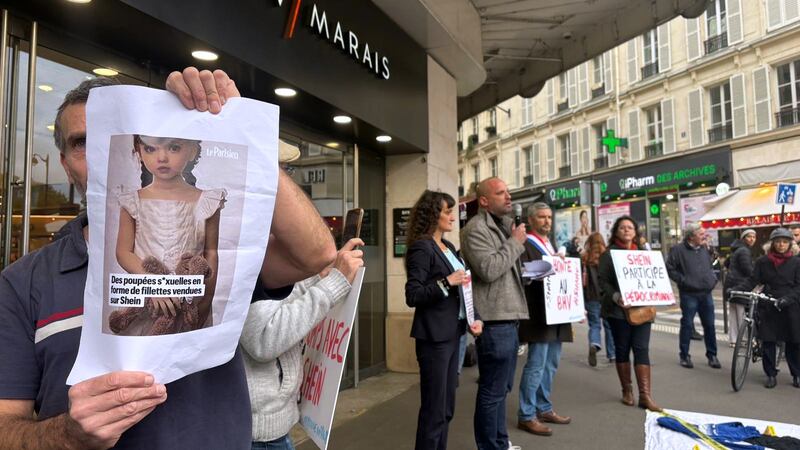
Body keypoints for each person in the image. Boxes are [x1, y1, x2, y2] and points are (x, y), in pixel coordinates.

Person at [0, 68, 337, 449]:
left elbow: (317, 253)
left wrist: (237, 126)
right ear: (64, 163)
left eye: (111, 135)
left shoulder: (218, 241)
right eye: (82, 142)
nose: (98, 152)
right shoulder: (23, 283)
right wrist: (67, 434)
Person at [241, 238, 364, 450]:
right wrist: (332, 285)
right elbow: (264, 338)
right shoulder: (247, 252)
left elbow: (277, 300)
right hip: (257, 436)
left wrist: (321, 276)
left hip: (270, 428)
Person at [110, 135, 225, 335]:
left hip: (191, 305)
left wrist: (206, 302)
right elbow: (123, 252)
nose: (161, 157)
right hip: (149, 306)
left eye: (173, 147)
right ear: (139, 150)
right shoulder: (132, 201)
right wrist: (153, 284)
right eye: (150, 149)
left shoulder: (207, 201)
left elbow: (211, 253)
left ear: (192, 150)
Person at [404, 190, 483, 450]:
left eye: (452, 210)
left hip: (455, 333)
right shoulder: (421, 247)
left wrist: (475, 318)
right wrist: (446, 281)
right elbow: (413, 294)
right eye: (447, 211)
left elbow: (463, 289)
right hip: (434, 339)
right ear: (432, 214)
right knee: (434, 410)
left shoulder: (448, 247)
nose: (453, 216)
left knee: (446, 408)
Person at [461, 177, 528, 450]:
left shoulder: (500, 227)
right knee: (491, 391)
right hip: (493, 320)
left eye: (508, 191)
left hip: (508, 319)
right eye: (501, 193)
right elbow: (488, 269)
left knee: (502, 390)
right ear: (485, 200)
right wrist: (514, 242)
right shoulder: (475, 229)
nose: (508, 196)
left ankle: (500, 443)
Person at [516, 203, 572, 438]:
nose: (547, 221)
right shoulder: (525, 243)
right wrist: (549, 266)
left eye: (549, 217)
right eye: (542, 217)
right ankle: (527, 415)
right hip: (539, 313)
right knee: (536, 365)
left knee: (550, 365)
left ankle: (544, 407)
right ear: (531, 220)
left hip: (557, 314)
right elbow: (521, 273)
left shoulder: (550, 244)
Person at [598, 215, 662, 412]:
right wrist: (617, 297)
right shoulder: (608, 255)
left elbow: (656, 275)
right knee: (622, 349)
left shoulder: (644, 253)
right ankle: (627, 391)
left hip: (642, 309)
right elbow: (603, 282)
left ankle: (645, 396)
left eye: (630, 227)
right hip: (619, 311)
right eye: (622, 227)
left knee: (642, 348)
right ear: (616, 231)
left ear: (635, 232)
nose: (626, 230)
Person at [733, 228, 800, 389]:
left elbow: (799, 286)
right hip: (769, 302)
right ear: (772, 244)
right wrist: (738, 289)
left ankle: (796, 374)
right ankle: (770, 374)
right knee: (768, 341)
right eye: (778, 242)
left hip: (790, 304)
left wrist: (788, 299)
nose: (781, 245)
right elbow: (753, 280)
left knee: (793, 342)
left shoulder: (797, 262)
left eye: (785, 242)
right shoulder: (763, 261)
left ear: (790, 244)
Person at [666, 223, 721, 370]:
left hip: (706, 292)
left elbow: (713, 265)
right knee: (688, 325)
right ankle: (684, 355)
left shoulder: (705, 248)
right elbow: (670, 268)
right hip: (689, 293)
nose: (705, 236)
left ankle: (712, 355)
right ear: (691, 236)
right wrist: (683, 280)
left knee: (709, 325)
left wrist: (713, 279)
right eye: (701, 234)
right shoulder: (678, 250)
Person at [582, 232, 615, 366]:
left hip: (590, 297)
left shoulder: (584, 258)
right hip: (606, 296)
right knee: (609, 326)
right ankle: (612, 354)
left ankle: (594, 344)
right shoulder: (607, 256)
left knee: (594, 324)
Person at [723, 229, 757, 345]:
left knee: (733, 313)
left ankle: (733, 339)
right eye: (749, 237)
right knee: (741, 313)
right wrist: (756, 276)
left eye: (754, 237)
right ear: (743, 238)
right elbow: (747, 269)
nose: (752, 239)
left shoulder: (736, 249)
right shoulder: (744, 251)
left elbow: (726, 263)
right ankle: (743, 339)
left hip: (731, 284)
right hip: (740, 285)